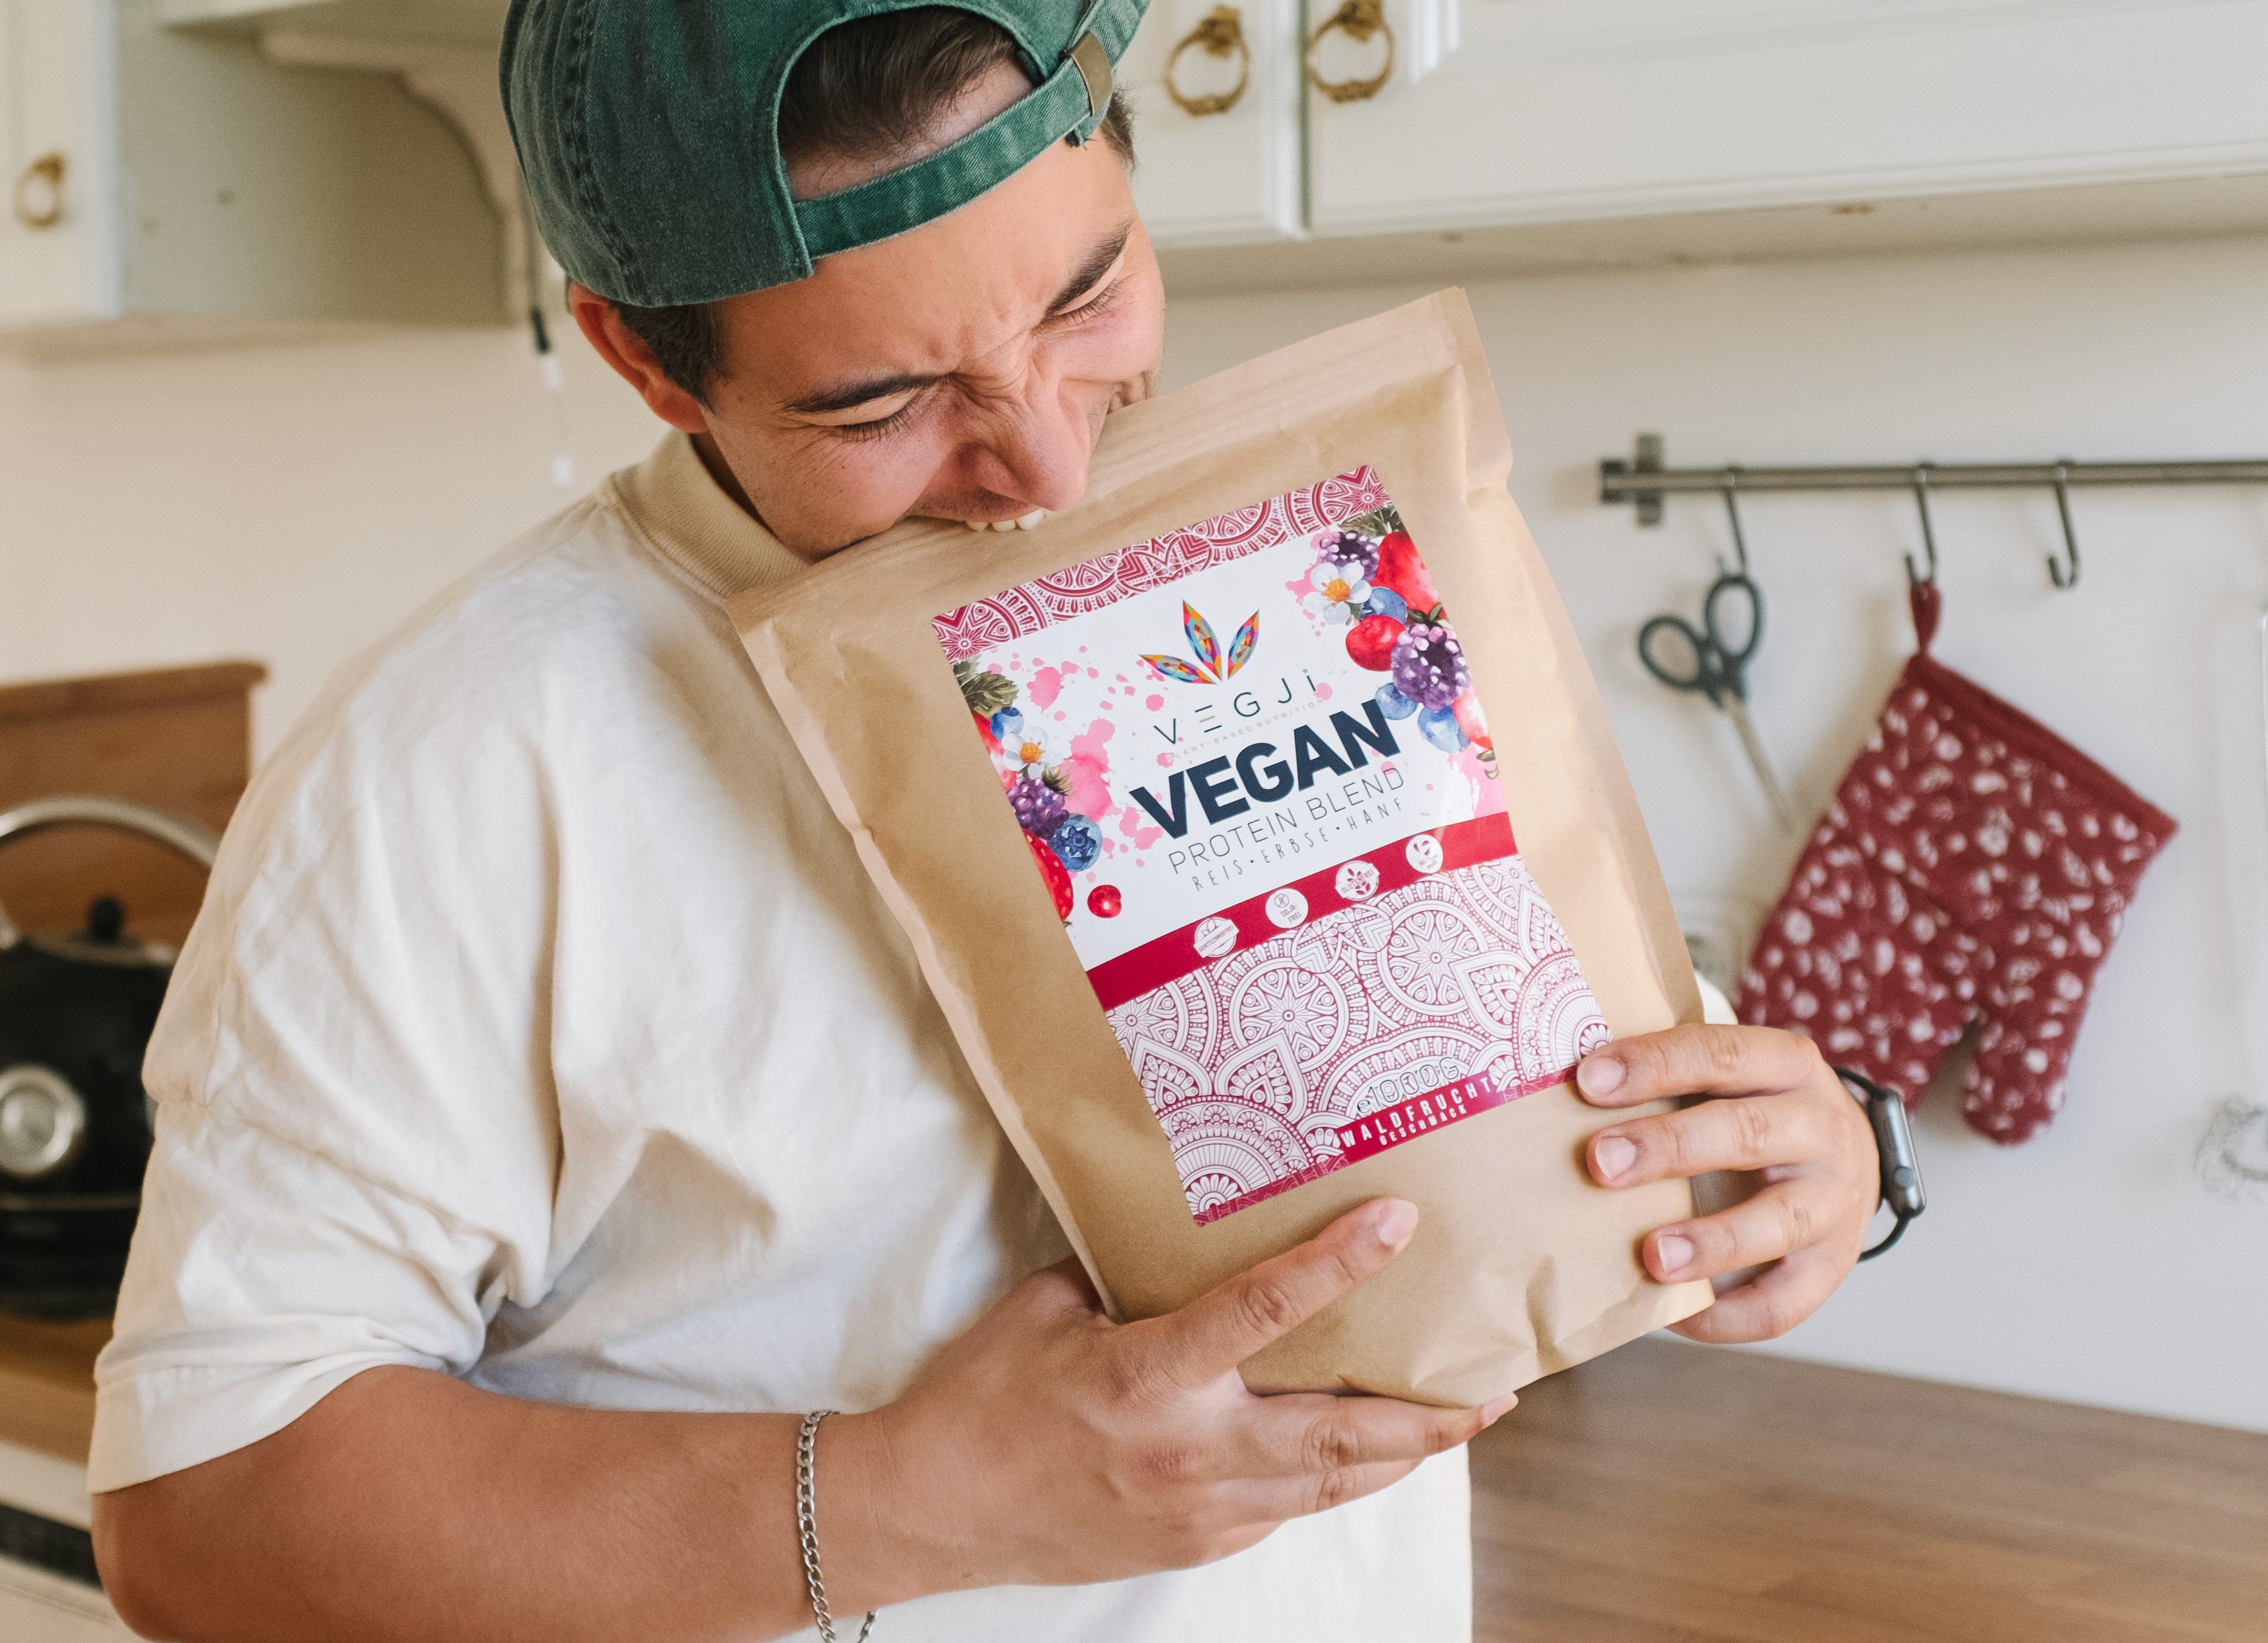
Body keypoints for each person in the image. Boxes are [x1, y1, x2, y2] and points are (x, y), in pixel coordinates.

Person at [87, 6, 1880, 1640]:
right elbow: (200, 1521)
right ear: (645, 359)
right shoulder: (454, 766)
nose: (1047, 462)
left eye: (1087, 295)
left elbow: (1535, 1108)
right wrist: (909, 1501)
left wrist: (1791, 1165)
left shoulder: (1302, 564)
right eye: (880, 402)